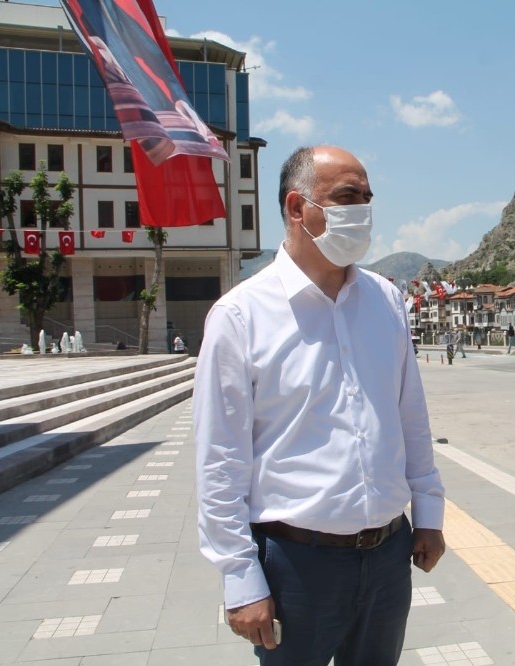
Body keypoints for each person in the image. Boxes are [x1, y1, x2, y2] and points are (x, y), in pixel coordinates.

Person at [195, 145, 446, 666]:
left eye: (367, 198)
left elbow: (410, 419)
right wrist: (240, 577)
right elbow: (220, 461)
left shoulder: (386, 301)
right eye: (347, 197)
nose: (363, 211)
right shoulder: (240, 316)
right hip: (296, 566)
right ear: (297, 207)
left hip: (387, 557)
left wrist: (428, 514)